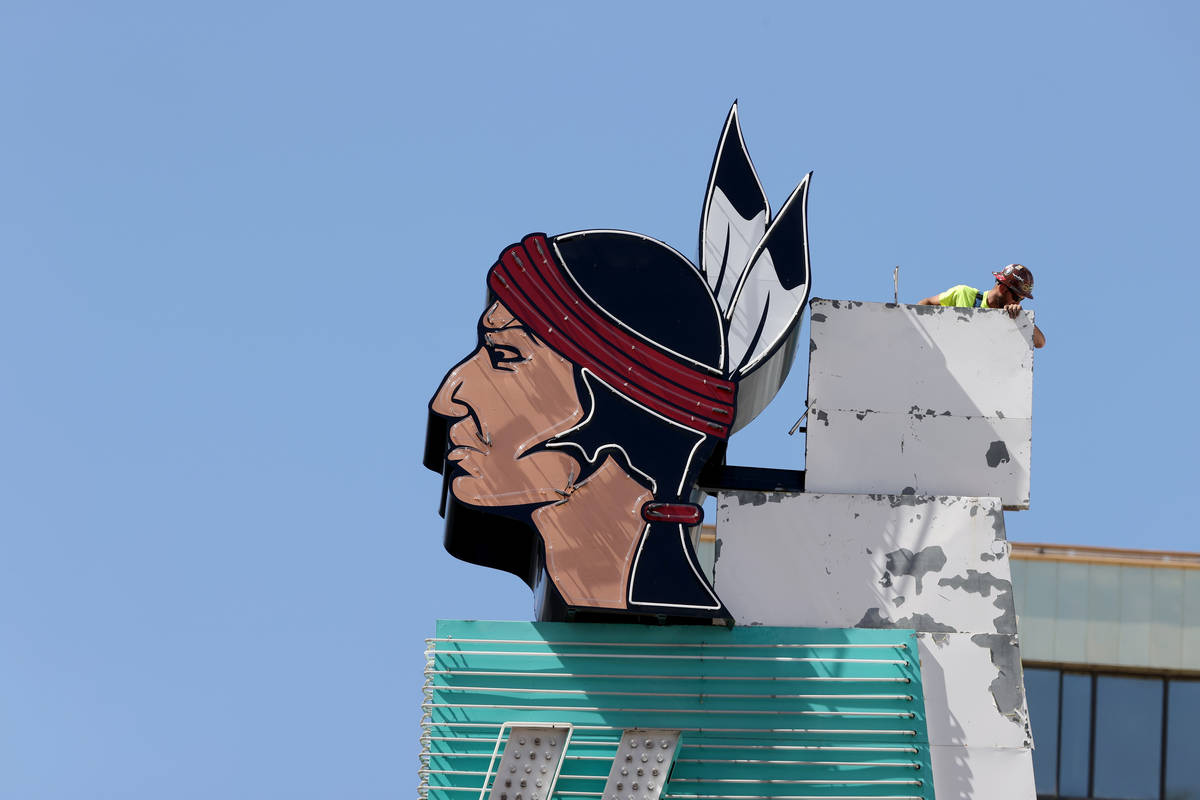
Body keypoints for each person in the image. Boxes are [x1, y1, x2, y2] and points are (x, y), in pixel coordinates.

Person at [918, 264, 1046, 348]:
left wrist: (1021, 318)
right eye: (1017, 297)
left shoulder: (1012, 319)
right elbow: (926, 303)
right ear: (1002, 288)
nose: (1017, 303)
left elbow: (1040, 343)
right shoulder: (964, 294)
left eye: (1021, 300)